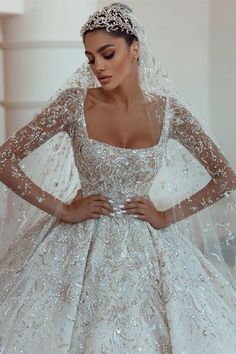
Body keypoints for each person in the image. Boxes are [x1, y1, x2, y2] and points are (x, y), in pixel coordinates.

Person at [0, 2, 236, 353]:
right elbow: (5, 159)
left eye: (108, 54)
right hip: (77, 243)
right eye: (91, 58)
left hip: (149, 244)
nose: (99, 67)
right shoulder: (73, 104)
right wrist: (63, 210)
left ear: (135, 48)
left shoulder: (169, 112)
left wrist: (166, 215)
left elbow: (224, 177)